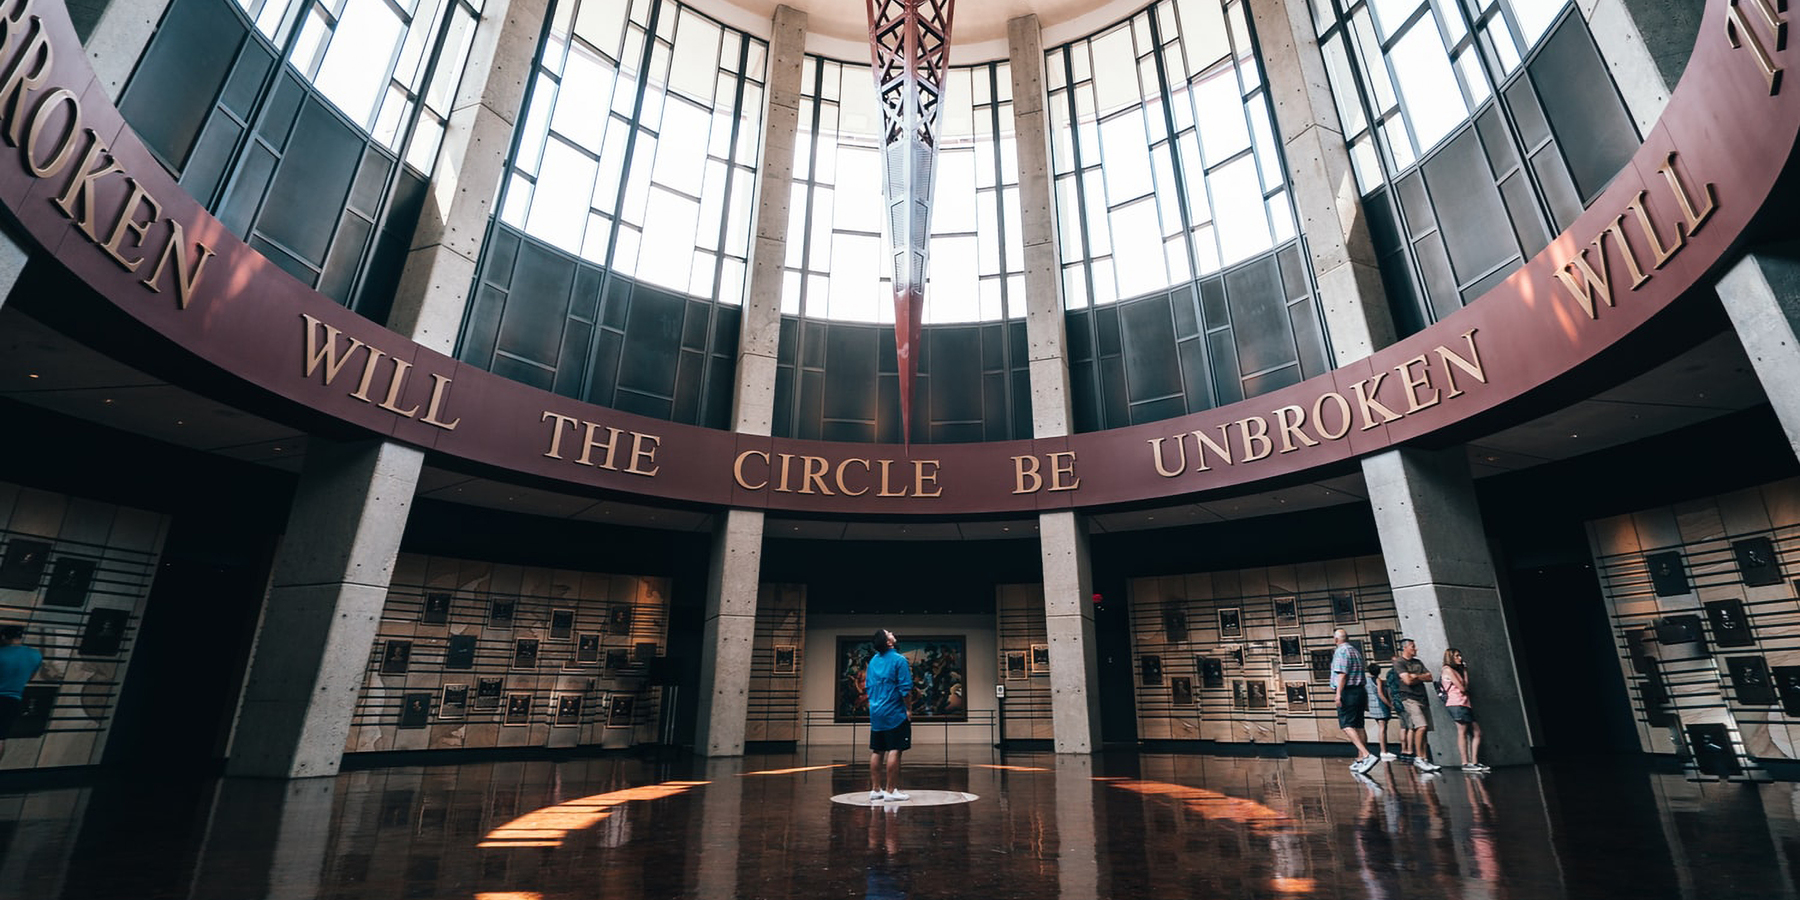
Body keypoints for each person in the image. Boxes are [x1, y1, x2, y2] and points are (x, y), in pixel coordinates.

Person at [865, 628, 913, 803]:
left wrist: (875, 705)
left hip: (876, 712)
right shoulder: (899, 661)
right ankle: (891, 791)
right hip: (895, 713)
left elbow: (868, 687)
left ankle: (875, 790)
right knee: (895, 749)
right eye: (889, 633)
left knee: (877, 750)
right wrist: (908, 710)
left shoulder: (873, 661)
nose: (892, 633)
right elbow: (906, 690)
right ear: (889, 642)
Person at [1331, 628, 1380, 775]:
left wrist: (1338, 694)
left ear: (1336, 640)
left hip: (1348, 691)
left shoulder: (1341, 651)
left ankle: (1366, 755)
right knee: (1359, 725)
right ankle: (1360, 759)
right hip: (1359, 690)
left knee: (1346, 724)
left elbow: (1342, 674)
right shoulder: (1355, 651)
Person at [1394, 639, 1442, 772]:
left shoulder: (1418, 662)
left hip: (1422, 697)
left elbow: (1430, 677)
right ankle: (1419, 758)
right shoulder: (1399, 662)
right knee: (1421, 726)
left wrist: (1416, 676)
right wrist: (1417, 677)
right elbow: (1407, 680)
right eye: (1413, 647)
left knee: (1425, 729)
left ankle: (1425, 759)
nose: (1416, 649)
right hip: (1409, 698)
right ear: (1405, 648)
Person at [0, 625, 45, 759]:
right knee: (1, 738)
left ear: (3, 636)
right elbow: (30, 677)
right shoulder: (35, 655)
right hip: (14, 701)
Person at [1441, 647, 1488, 772]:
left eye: (1460, 656)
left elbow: (1465, 685)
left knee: (1476, 732)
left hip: (1464, 703)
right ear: (1450, 657)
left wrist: (1465, 671)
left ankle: (1474, 762)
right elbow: (1462, 688)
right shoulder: (1448, 670)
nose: (1460, 658)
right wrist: (1463, 678)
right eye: (1457, 656)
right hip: (1456, 703)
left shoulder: (1457, 670)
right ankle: (1466, 763)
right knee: (1463, 731)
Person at [1365, 660, 1395, 759]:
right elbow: (1381, 694)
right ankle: (1384, 751)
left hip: (1372, 706)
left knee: (1381, 727)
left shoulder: (1367, 680)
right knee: (1382, 728)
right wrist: (1389, 704)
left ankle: (1383, 750)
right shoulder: (1378, 680)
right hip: (1380, 706)